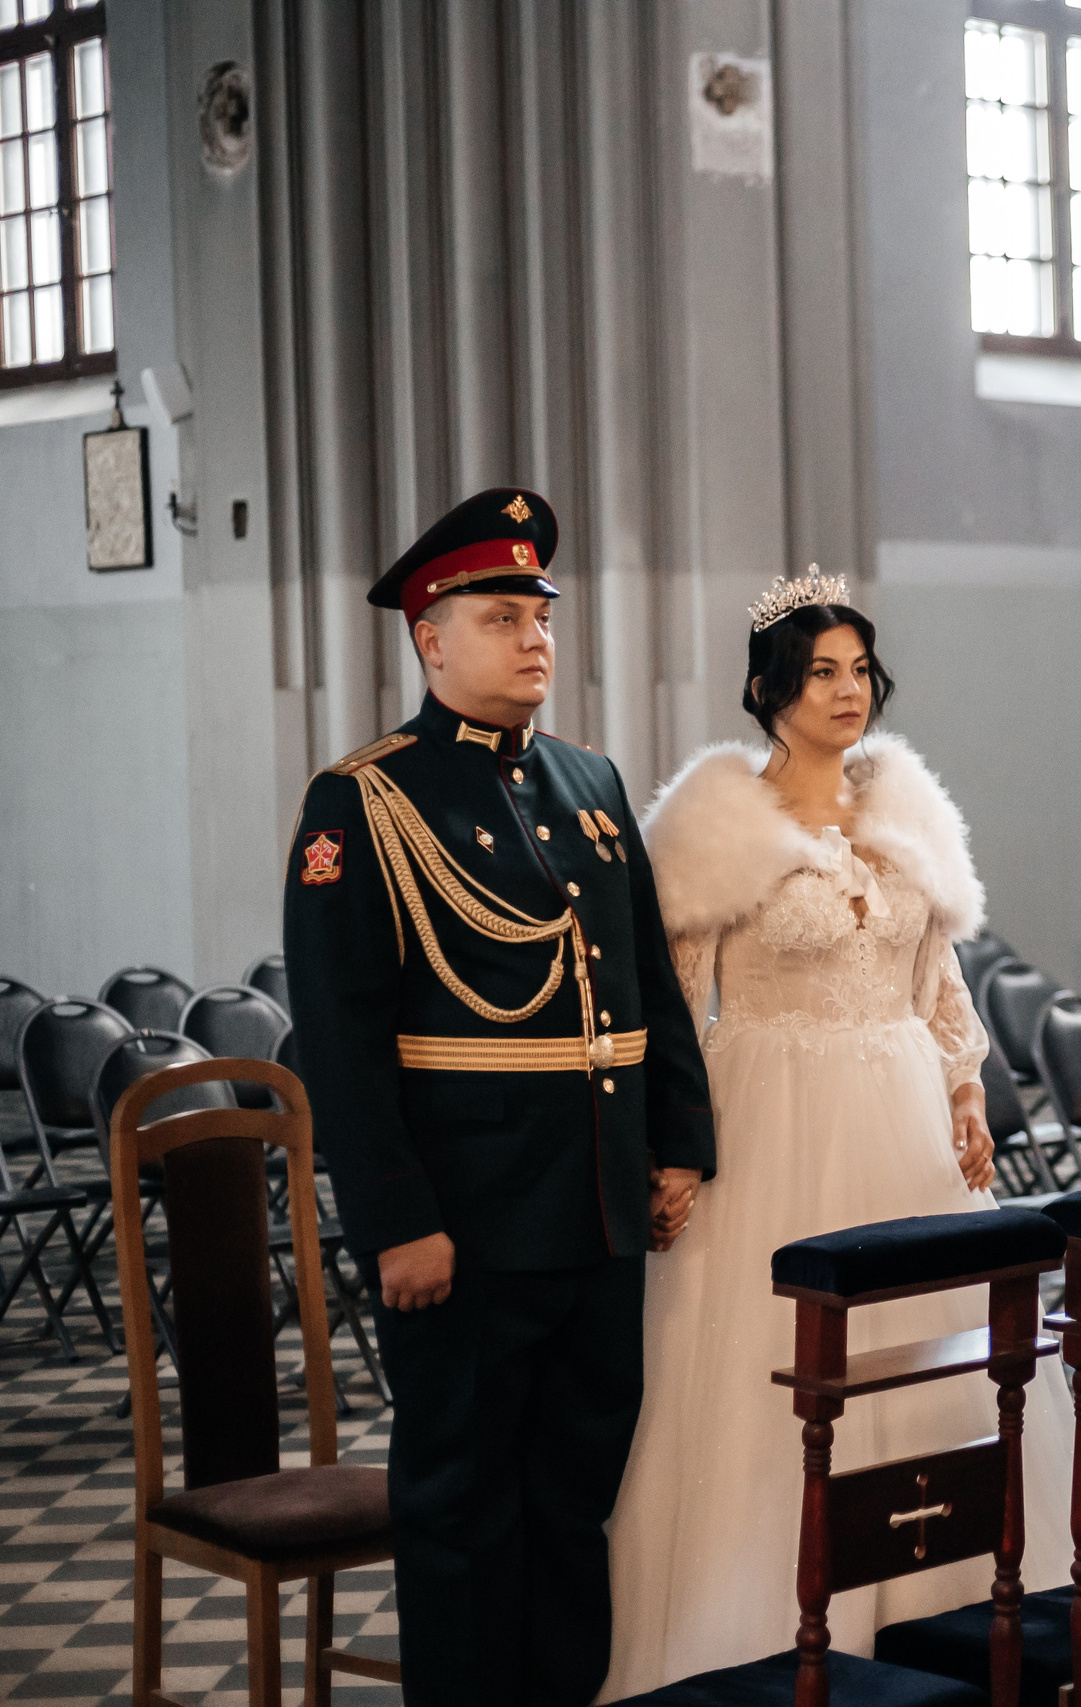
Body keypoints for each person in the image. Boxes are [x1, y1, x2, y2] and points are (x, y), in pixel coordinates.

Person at [602, 568, 1081, 1692]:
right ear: (767, 687)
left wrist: (967, 1093)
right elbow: (675, 1004)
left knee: (940, 1361)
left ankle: (945, 1609)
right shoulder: (712, 821)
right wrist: (672, 1147)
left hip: (903, 1112)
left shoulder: (904, 807)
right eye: (821, 671)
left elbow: (939, 975)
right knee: (773, 1379)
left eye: (859, 671)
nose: (848, 691)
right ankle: (762, 1633)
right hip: (771, 1114)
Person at [283, 488, 716, 1707]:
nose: (535, 637)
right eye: (502, 614)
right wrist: (395, 1221)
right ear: (430, 639)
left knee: (577, 1504)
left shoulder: (589, 780)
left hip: (593, 1217)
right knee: (465, 1512)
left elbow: (644, 986)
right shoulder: (364, 802)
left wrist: (676, 1143)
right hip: (463, 1233)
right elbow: (344, 1037)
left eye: (541, 614)